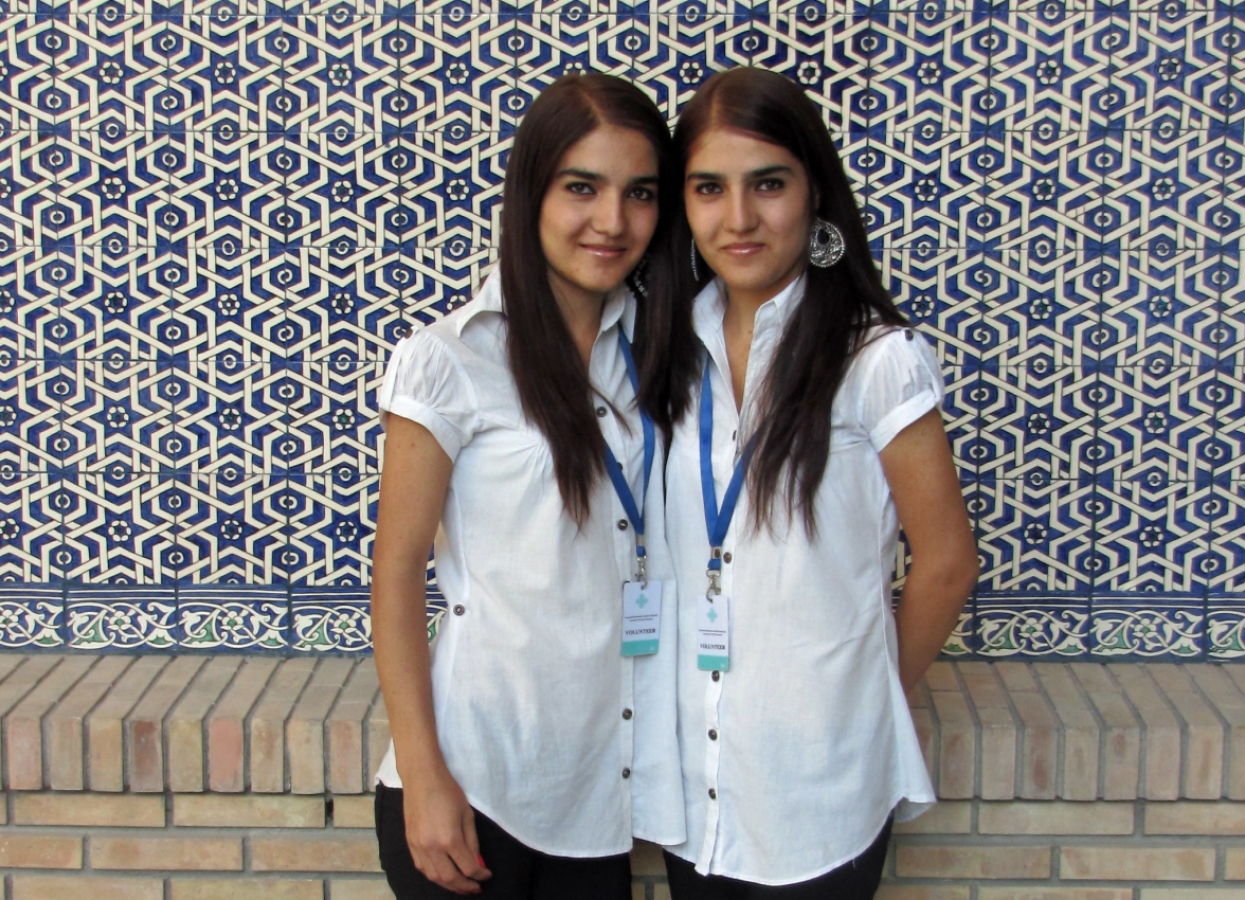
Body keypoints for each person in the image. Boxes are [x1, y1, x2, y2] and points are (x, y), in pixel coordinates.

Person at [645, 67, 979, 898]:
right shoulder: (665, 346)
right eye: (709, 188)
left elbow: (947, 561)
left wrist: (863, 695)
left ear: (815, 192)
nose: (740, 217)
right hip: (695, 776)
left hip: (819, 786)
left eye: (769, 184)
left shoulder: (876, 359)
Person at [370, 73, 684, 900]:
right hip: (473, 786)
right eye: (582, 187)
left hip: (594, 792)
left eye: (640, 193)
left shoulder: (649, 356)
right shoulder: (451, 359)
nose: (612, 222)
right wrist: (425, 776)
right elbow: (396, 575)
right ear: (531, 193)